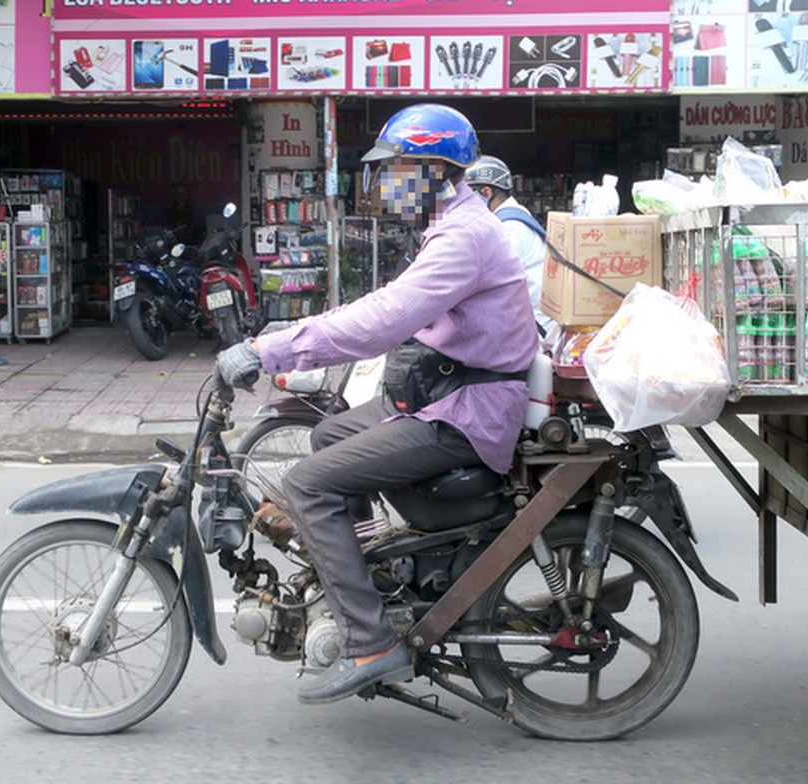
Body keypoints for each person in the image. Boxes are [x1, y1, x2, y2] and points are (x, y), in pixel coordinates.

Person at [215, 104, 539, 705]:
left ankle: (371, 643)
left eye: (395, 170)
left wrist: (271, 350)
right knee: (328, 436)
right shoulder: (449, 225)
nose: (385, 184)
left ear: (435, 170)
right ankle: (371, 564)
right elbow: (387, 306)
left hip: (467, 413)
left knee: (309, 483)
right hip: (445, 395)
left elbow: (384, 320)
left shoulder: (464, 237)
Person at [464, 155, 555, 336]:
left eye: (467, 195)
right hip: (524, 321)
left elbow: (489, 283)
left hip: (534, 330)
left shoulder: (510, 228)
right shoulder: (510, 217)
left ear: (486, 193)